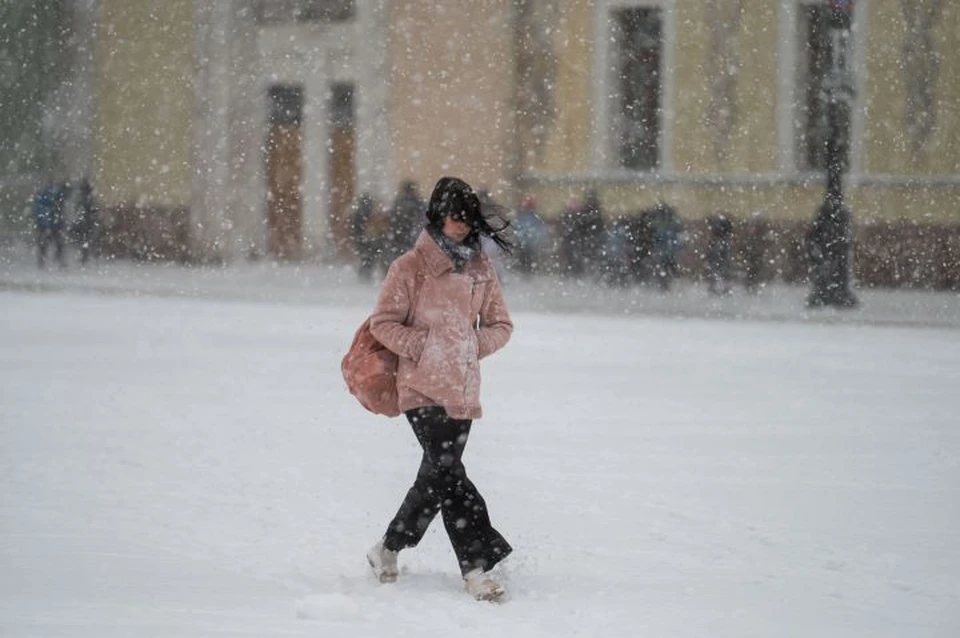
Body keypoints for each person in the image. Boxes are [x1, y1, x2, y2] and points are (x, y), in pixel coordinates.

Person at [365, 176, 514, 602]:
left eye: (468, 218)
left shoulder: (481, 269)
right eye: (454, 217)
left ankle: (388, 547)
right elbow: (383, 323)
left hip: (462, 389)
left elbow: (502, 326)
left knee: (439, 477)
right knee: (447, 472)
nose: (462, 225)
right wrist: (424, 347)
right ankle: (476, 567)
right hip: (420, 388)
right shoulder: (409, 267)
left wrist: (469, 347)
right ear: (436, 215)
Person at [33, 181, 68, 269]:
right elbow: (43, 212)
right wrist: (47, 226)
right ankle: (46, 262)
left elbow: (41, 212)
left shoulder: (46, 197)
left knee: (52, 244)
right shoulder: (47, 198)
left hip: (51, 225)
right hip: (49, 226)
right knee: (48, 244)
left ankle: (50, 262)